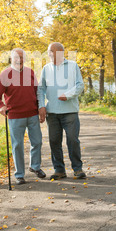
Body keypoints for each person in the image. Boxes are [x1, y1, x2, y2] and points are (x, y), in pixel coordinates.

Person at [0, 48, 46, 185]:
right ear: (11, 58)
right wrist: (0, 105)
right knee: (17, 146)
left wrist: (41, 107)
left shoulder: (30, 72)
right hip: (15, 115)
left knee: (37, 142)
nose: (19, 60)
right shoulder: (5, 74)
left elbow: (37, 91)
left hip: (32, 114)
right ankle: (20, 174)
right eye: (16, 57)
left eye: (21, 57)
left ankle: (35, 167)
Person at [37, 42, 86, 180]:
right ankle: (59, 170)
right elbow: (41, 89)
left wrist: (68, 95)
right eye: (49, 52)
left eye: (52, 52)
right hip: (52, 112)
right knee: (54, 141)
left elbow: (80, 85)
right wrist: (41, 106)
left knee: (72, 140)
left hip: (70, 111)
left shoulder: (72, 66)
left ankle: (77, 169)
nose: (49, 54)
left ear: (60, 53)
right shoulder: (46, 69)